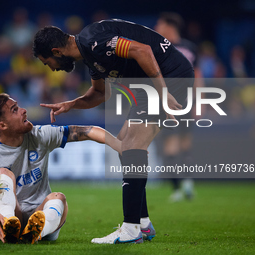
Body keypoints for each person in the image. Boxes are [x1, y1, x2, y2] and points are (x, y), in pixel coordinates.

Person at [33, 19, 194, 244]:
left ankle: (131, 229)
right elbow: (100, 94)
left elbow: (142, 50)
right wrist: (72, 104)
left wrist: (164, 92)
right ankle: (143, 223)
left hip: (169, 79)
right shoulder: (90, 55)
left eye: (46, 61)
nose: (51, 67)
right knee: (123, 146)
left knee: (131, 148)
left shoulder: (93, 41)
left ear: (56, 51)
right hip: (150, 89)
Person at [0, 93, 121, 244]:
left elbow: (87, 132)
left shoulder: (40, 135)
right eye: (15, 110)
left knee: (59, 198)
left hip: (38, 214)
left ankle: (36, 231)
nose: (24, 110)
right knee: (3, 174)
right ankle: (9, 223)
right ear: (2, 125)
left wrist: (120, 146)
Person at [154, 12, 201, 201]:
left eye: (160, 24)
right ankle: (188, 182)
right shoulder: (190, 48)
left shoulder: (160, 48)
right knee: (185, 144)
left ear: (168, 26)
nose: (157, 28)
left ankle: (177, 189)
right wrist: (200, 101)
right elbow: (198, 77)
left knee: (170, 147)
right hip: (187, 101)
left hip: (169, 102)